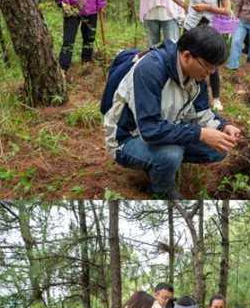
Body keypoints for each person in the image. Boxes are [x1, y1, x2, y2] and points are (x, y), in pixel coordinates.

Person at [103, 26, 241, 199]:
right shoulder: (150, 69)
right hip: (128, 138)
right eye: (207, 67)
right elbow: (150, 130)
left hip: (164, 127)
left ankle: (158, 163)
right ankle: (162, 190)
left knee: (218, 148)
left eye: (214, 69)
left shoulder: (196, 76)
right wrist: (199, 134)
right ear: (187, 56)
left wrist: (223, 126)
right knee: (171, 154)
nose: (210, 73)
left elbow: (201, 112)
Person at [166, 0, 231, 111]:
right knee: (184, 59)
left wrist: (207, 7)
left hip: (211, 29)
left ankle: (215, 98)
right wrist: (184, 5)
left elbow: (227, 10)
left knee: (211, 62)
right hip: (191, 27)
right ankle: (182, 92)